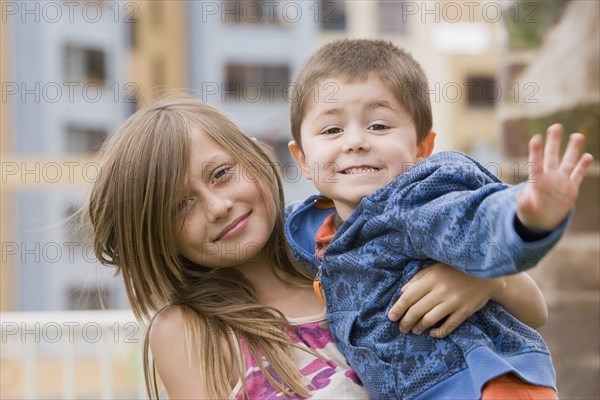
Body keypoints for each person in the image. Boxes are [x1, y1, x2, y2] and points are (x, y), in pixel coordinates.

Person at [88, 98, 551, 399]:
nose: (217, 206)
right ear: (156, 236)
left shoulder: (348, 247)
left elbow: (534, 312)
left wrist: (481, 280)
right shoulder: (188, 330)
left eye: (221, 174)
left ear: (255, 156)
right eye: (180, 206)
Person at [286, 39, 593, 400]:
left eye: (380, 126)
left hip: (485, 383)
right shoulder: (311, 238)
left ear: (421, 148)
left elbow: (471, 221)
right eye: (332, 130)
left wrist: (526, 215)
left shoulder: (416, 198)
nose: (355, 141)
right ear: (302, 158)